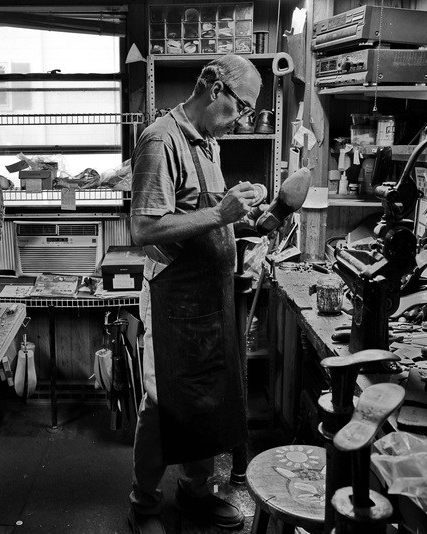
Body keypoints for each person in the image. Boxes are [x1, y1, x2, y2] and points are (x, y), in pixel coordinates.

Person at [128, 54, 263, 534]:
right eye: (241, 107)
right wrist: (221, 215)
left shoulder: (207, 141)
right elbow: (144, 226)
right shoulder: (160, 139)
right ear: (213, 88)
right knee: (163, 403)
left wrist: (249, 216)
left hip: (209, 295)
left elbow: (204, 213)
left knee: (206, 397)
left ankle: (195, 491)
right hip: (174, 299)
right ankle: (143, 503)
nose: (242, 120)